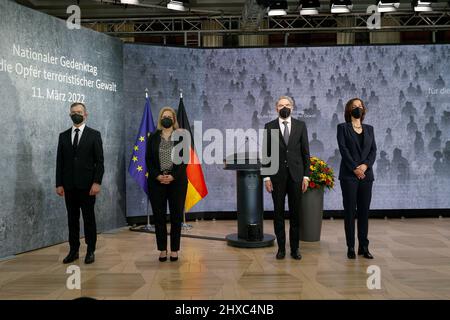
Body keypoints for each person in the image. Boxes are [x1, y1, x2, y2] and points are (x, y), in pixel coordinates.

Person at [262, 96, 311, 260]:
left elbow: (306, 153)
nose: (284, 107)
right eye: (281, 105)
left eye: (287, 105)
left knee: (295, 214)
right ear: (276, 108)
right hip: (276, 176)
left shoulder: (300, 126)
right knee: (278, 213)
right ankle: (281, 249)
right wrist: (266, 177)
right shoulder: (269, 127)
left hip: (297, 177)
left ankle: (295, 249)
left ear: (292, 107)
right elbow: (266, 154)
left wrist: (306, 176)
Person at [56, 102, 104, 264]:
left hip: (88, 186)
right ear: (70, 115)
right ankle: (74, 250)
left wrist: (97, 182)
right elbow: (59, 162)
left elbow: (100, 162)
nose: (76, 114)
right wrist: (59, 183)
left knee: (89, 219)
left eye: (79, 112)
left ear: (85, 115)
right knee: (72, 219)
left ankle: (90, 250)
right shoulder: (63, 135)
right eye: (73, 112)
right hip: (69, 186)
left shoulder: (94, 135)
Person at [146, 107, 188, 262]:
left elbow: (184, 161)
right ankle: (163, 249)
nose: (167, 119)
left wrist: (173, 176)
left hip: (177, 183)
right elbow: (148, 160)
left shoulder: (181, 137)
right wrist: (158, 176)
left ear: (174, 119)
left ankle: (175, 250)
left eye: (169, 117)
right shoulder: (153, 137)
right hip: (157, 183)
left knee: (176, 217)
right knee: (159, 217)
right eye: (164, 116)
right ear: (160, 119)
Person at [337, 98, 377, 260]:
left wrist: (364, 167)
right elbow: (343, 149)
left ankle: (364, 247)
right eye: (354, 107)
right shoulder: (342, 128)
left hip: (366, 176)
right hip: (349, 176)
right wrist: (355, 168)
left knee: (364, 212)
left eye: (360, 107)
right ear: (348, 110)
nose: (358, 109)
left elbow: (373, 151)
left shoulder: (369, 129)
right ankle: (351, 247)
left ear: (364, 110)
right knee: (349, 212)